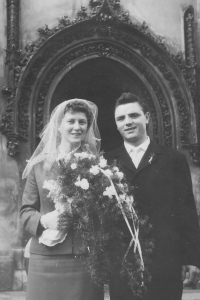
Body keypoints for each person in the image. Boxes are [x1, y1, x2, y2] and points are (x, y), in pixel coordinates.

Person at [105, 92, 200, 300]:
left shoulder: (173, 159)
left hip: (165, 262)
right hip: (123, 265)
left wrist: (192, 258)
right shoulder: (106, 162)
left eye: (134, 116)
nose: (127, 122)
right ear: (116, 124)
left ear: (146, 117)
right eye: (121, 119)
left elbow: (186, 210)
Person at [20, 99, 103, 300]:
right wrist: (44, 220)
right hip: (46, 257)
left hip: (83, 258)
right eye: (71, 121)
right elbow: (25, 213)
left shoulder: (96, 165)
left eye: (82, 122)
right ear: (59, 125)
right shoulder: (39, 166)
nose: (77, 127)